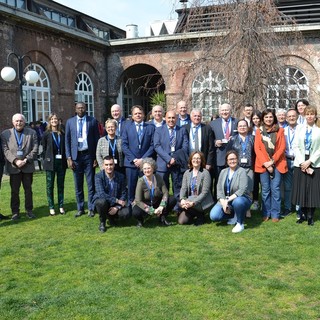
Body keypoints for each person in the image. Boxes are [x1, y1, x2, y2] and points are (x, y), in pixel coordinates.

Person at [65, 102, 100, 218]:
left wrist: (95, 157)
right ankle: (80, 208)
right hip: (76, 157)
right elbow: (67, 141)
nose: (81, 110)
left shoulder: (92, 121)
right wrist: (69, 157)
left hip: (88, 156)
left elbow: (96, 139)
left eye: (83, 108)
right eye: (79, 108)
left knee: (91, 184)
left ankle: (91, 208)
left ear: (86, 109)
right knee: (78, 184)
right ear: (75, 109)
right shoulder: (70, 122)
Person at [1, 113, 38, 220]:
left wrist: (26, 160)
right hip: (14, 167)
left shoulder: (32, 133)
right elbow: (5, 150)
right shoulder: (5, 134)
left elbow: (35, 149)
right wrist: (16, 161)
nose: (19, 123)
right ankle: (15, 212)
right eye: (16, 121)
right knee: (14, 191)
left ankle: (29, 210)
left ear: (24, 122)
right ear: (13, 122)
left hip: (27, 166)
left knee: (28, 190)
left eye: (21, 121)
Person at [254, 108, 287, 222]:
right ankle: (266, 212)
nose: (268, 119)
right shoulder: (259, 131)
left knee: (276, 189)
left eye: (271, 117)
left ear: (274, 118)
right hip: (263, 165)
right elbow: (257, 149)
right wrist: (266, 163)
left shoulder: (280, 130)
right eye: (266, 117)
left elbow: (282, 148)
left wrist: (272, 161)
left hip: (277, 164)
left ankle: (275, 214)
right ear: (263, 118)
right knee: (265, 190)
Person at [209, 150, 252, 233]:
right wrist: (223, 202)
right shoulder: (223, 172)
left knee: (238, 202)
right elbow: (219, 189)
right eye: (230, 159)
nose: (232, 161)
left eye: (234, 159)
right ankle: (233, 215)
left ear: (237, 160)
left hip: (241, 199)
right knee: (214, 216)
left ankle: (240, 223)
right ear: (227, 161)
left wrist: (227, 201)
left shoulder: (242, 171)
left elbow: (242, 190)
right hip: (226, 200)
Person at [154, 110, 189, 208]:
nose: (171, 120)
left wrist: (174, 159)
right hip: (163, 164)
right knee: (163, 187)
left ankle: (177, 208)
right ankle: (163, 209)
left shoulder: (182, 130)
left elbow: (185, 147)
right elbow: (157, 146)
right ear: (165, 118)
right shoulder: (159, 130)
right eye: (169, 118)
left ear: (177, 119)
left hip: (177, 164)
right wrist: (169, 159)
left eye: (173, 118)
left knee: (177, 186)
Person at [121, 105, 155, 206]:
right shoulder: (126, 127)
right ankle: (131, 209)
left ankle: (146, 209)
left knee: (146, 188)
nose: (138, 115)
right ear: (132, 116)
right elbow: (124, 145)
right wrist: (134, 159)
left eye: (140, 113)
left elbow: (152, 145)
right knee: (131, 187)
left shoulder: (150, 128)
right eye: (136, 113)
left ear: (144, 115)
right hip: (131, 164)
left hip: (146, 165)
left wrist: (143, 160)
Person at [292, 106, 320, 225]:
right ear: (305, 115)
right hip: (300, 163)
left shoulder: (319, 130)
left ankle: (310, 216)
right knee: (301, 189)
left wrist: (310, 161)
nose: (309, 116)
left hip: (314, 163)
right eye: (307, 114)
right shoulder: (299, 128)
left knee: (312, 190)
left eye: (312, 114)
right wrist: (302, 162)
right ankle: (302, 215)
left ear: (315, 116)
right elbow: (295, 146)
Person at [132, 158, 176, 227]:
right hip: (145, 203)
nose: (147, 170)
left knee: (172, 199)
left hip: (156, 201)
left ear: (153, 168)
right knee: (135, 212)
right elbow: (138, 200)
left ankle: (162, 217)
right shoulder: (141, 181)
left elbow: (165, 192)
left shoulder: (158, 177)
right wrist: (152, 211)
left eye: (149, 168)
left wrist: (162, 206)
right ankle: (141, 221)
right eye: (145, 169)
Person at [93, 156, 130, 232]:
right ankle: (102, 222)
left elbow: (124, 193)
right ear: (103, 165)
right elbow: (101, 194)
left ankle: (111, 217)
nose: (109, 167)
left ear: (114, 165)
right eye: (106, 165)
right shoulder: (98, 176)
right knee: (101, 202)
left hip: (115, 204)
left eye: (111, 164)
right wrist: (117, 201)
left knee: (126, 213)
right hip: (103, 202)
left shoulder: (121, 176)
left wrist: (117, 207)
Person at [227, 119, 254, 219]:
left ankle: (247, 209)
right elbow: (229, 153)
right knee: (238, 189)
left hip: (249, 168)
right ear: (237, 128)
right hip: (237, 168)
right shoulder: (233, 139)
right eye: (240, 126)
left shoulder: (252, 138)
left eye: (244, 126)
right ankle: (236, 208)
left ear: (247, 127)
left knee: (249, 189)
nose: (242, 127)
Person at [210, 103, 237, 199]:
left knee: (232, 180)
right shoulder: (213, 123)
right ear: (220, 112)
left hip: (233, 156)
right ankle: (218, 199)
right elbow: (209, 139)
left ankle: (231, 199)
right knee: (219, 180)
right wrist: (215, 142)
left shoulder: (236, 122)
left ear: (230, 111)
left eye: (227, 110)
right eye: (223, 110)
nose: (225, 112)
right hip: (219, 157)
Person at [179, 151, 214, 226]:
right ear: (191, 160)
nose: (196, 160)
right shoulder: (187, 173)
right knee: (181, 221)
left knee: (190, 199)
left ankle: (201, 215)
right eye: (194, 158)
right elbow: (183, 188)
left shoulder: (205, 173)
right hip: (189, 201)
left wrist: (192, 202)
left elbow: (205, 192)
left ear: (201, 160)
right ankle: (195, 214)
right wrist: (182, 199)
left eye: (198, 158)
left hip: (202, 202)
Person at [42, 113, 67, 216]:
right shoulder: (46, 134)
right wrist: (46, 159)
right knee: (50, 185)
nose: (54, 121)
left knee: (60, 185)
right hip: (50, 163)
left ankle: (61, 206)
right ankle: (51, 206)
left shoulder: (62, 133)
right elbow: (43, 148)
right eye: (52, 119)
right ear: (49, 121)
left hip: (61, 163)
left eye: (56, 119)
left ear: (59, 121)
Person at [282, 108, 299, 217]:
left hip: (298, 161)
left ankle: (299, 209)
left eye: (293, 116)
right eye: (289, 117)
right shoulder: (283, 130)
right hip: (287, 160)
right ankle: (288, 208)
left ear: (296, 117)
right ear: (286, 119)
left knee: (298, 186)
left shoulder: (302, 129)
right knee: (287, 186)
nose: (292, 118)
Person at [251, 110, 262, 210]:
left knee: (264, 182)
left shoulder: (264, 129)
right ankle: (255, 201)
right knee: (255, 182)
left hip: (262, 158)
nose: (255, 120)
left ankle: (264, 202)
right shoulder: (250, 130)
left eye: (257, 118)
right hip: (253, 159)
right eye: (253, 118)